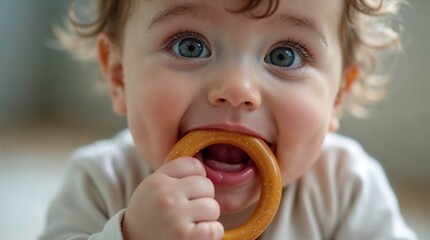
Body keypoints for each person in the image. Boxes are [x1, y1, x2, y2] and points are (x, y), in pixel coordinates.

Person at [40, 0, 418, 239]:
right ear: (119, 75)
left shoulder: (347, 189)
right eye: (190, 46)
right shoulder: (100, 182)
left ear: (338, 96)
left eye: (285, 55)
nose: (237, 89)